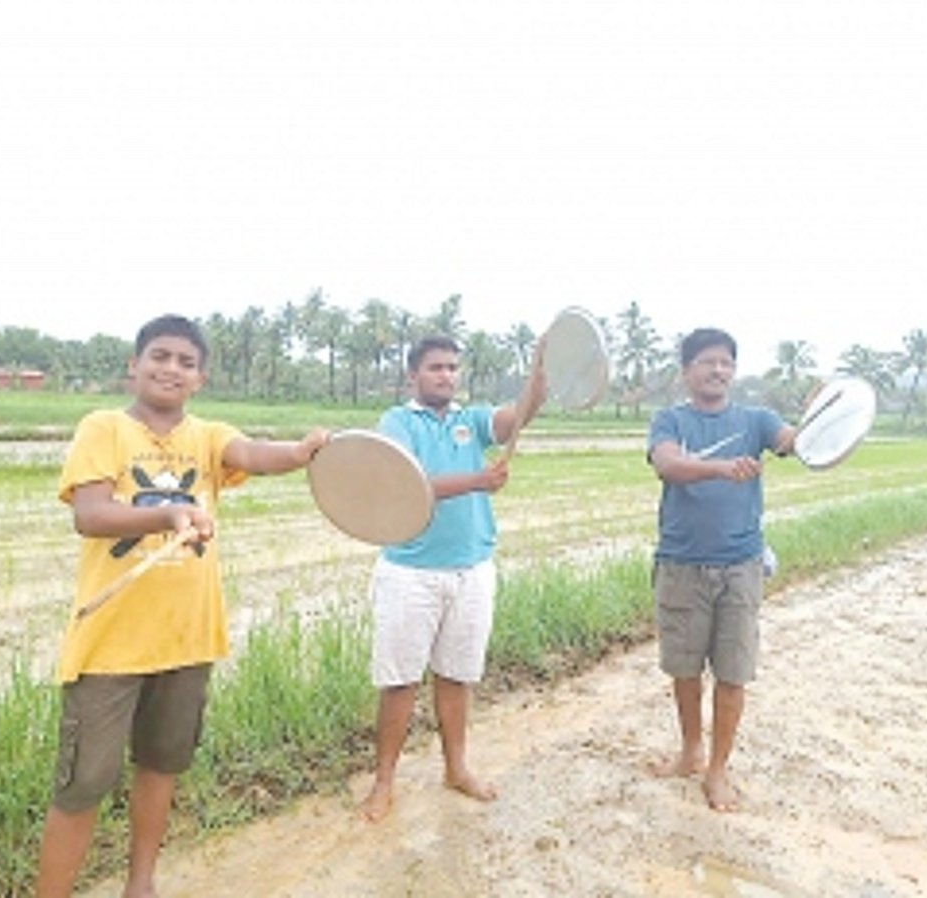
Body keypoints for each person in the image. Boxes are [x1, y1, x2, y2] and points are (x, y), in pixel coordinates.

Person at [36, 314, 327, 898]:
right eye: (160, 356)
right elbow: (89, 515)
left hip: (188, 640)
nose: (171, 369)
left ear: (201, 378)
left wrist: (299, 451)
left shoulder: (209, 437)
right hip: (110, 646)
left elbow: (253, 452)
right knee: (83, 785)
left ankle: (140, 884)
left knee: (162, 765)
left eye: (186, 362)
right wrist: (168, 514)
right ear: (134, 365)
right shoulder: (103, 429)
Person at [358, 334, 546, 823]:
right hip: (410, 571)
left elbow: (517, 416)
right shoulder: (397, 423)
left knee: (458, 675)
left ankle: (456, 768)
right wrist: (477, 481)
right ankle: (384, 782)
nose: (446, 375)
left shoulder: (471, 420)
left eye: (452, 368)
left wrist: (542, 372)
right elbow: (405, 484)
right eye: (436, 367)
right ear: (413, 375)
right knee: (400, 682)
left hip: (471, 569)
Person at [646, 327, 795, 812]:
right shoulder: (670, 420)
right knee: (685, 670)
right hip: (681, 564)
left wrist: (814, 427)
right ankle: (690, 752)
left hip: (740, 566)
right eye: (708, 362)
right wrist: (721, 468)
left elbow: (790, 442)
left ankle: (717, 769)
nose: (718, 370)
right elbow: (667, 465)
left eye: (726, 363)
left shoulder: (756, 419)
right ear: (687, 371)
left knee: (733, 672)